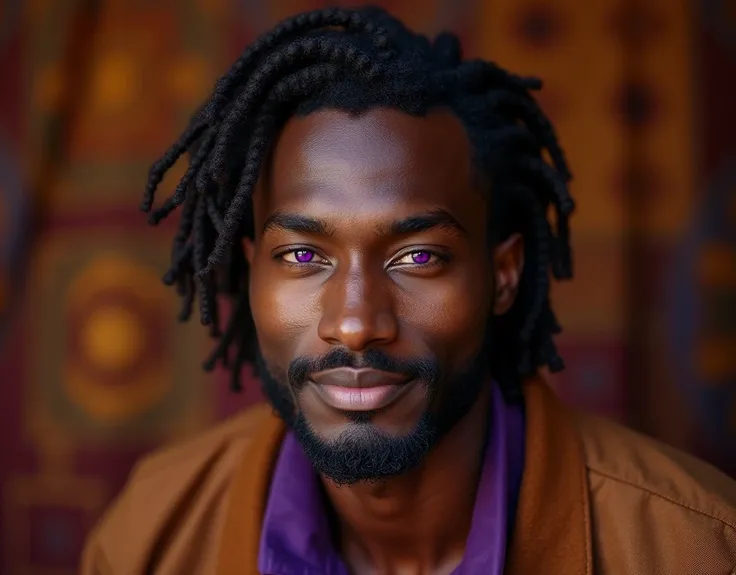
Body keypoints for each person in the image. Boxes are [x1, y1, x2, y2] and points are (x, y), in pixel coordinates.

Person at [81, 6, 736, 575]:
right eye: (304, 255)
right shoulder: (149, 535)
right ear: (253, 271)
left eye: (418, 256)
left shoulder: (699, 546)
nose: (357, 323)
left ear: (501, 276)